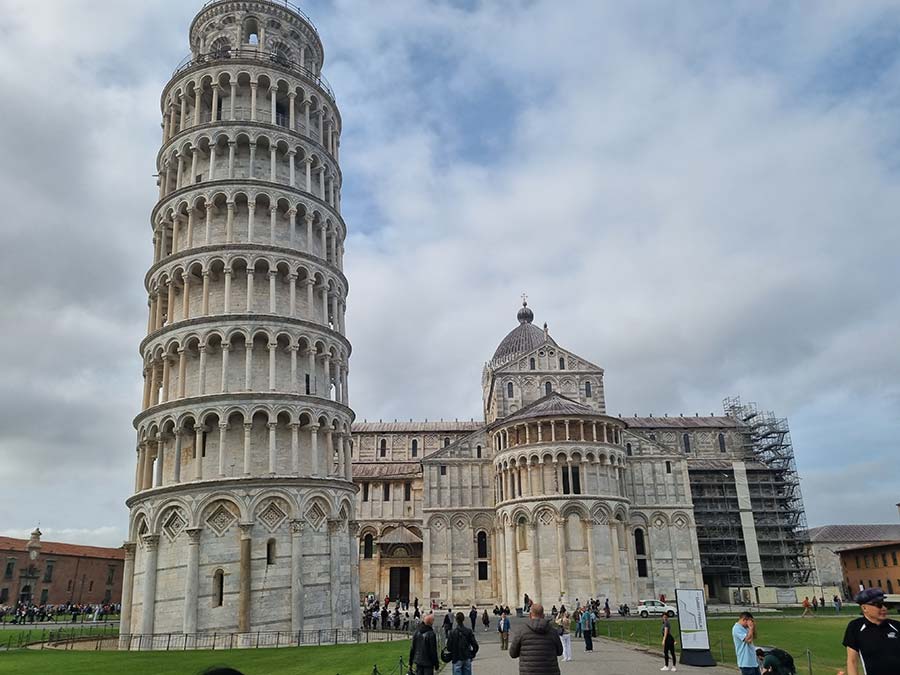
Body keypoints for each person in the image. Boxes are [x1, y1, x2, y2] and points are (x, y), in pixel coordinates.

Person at [843, 588, 900, 675]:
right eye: (879, 605)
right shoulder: (855, 627)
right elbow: (852, 661)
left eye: (885, 604)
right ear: (864, 608)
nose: (884, 608)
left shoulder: (896, 626)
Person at [509, 603, 563, 675]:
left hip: (528, 671)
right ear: (543, 615)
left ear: (530, 615)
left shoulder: (521, 631)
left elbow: (513, 654)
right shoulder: (553, 631)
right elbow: (560, 652)